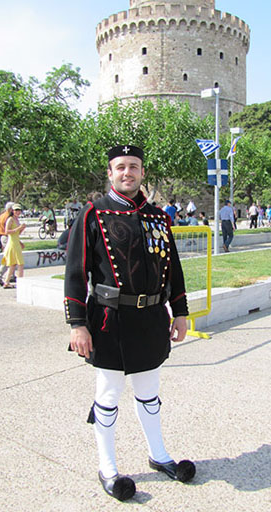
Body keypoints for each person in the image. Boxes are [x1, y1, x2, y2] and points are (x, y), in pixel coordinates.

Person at [64, 145, 196, 501]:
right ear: (110, 173)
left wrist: (180, 312)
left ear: (142, 172)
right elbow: (75, 273)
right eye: (120, 167)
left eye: (133, 166)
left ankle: (158, 454)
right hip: (109, 320)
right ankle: (107, 466)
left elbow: (174, 269)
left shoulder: (157, 217)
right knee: (108, 394)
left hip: (151, 318)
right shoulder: (92, 213)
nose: (127, 173)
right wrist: (77, 324)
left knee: (149, 392)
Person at [1, 204, 27, 289]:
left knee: (13, 265)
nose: (18, 212)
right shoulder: (10, 219)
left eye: (19, 210)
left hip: (16, 242)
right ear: (12, 211)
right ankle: (21, 282)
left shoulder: (16, 220)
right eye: (16, 210)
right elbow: (7, 231)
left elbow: (17, 234)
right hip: (12, 243)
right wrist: (18, 228)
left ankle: (6, 282)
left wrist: (21, 229)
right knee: (20, 264)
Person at [0, 202, 15, 286]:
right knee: (9, 257)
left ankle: (11, 275)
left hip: (2, 237)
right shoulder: (8, 217)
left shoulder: (1, 216)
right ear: (10, 209)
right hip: (7, 237)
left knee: (11, 257)